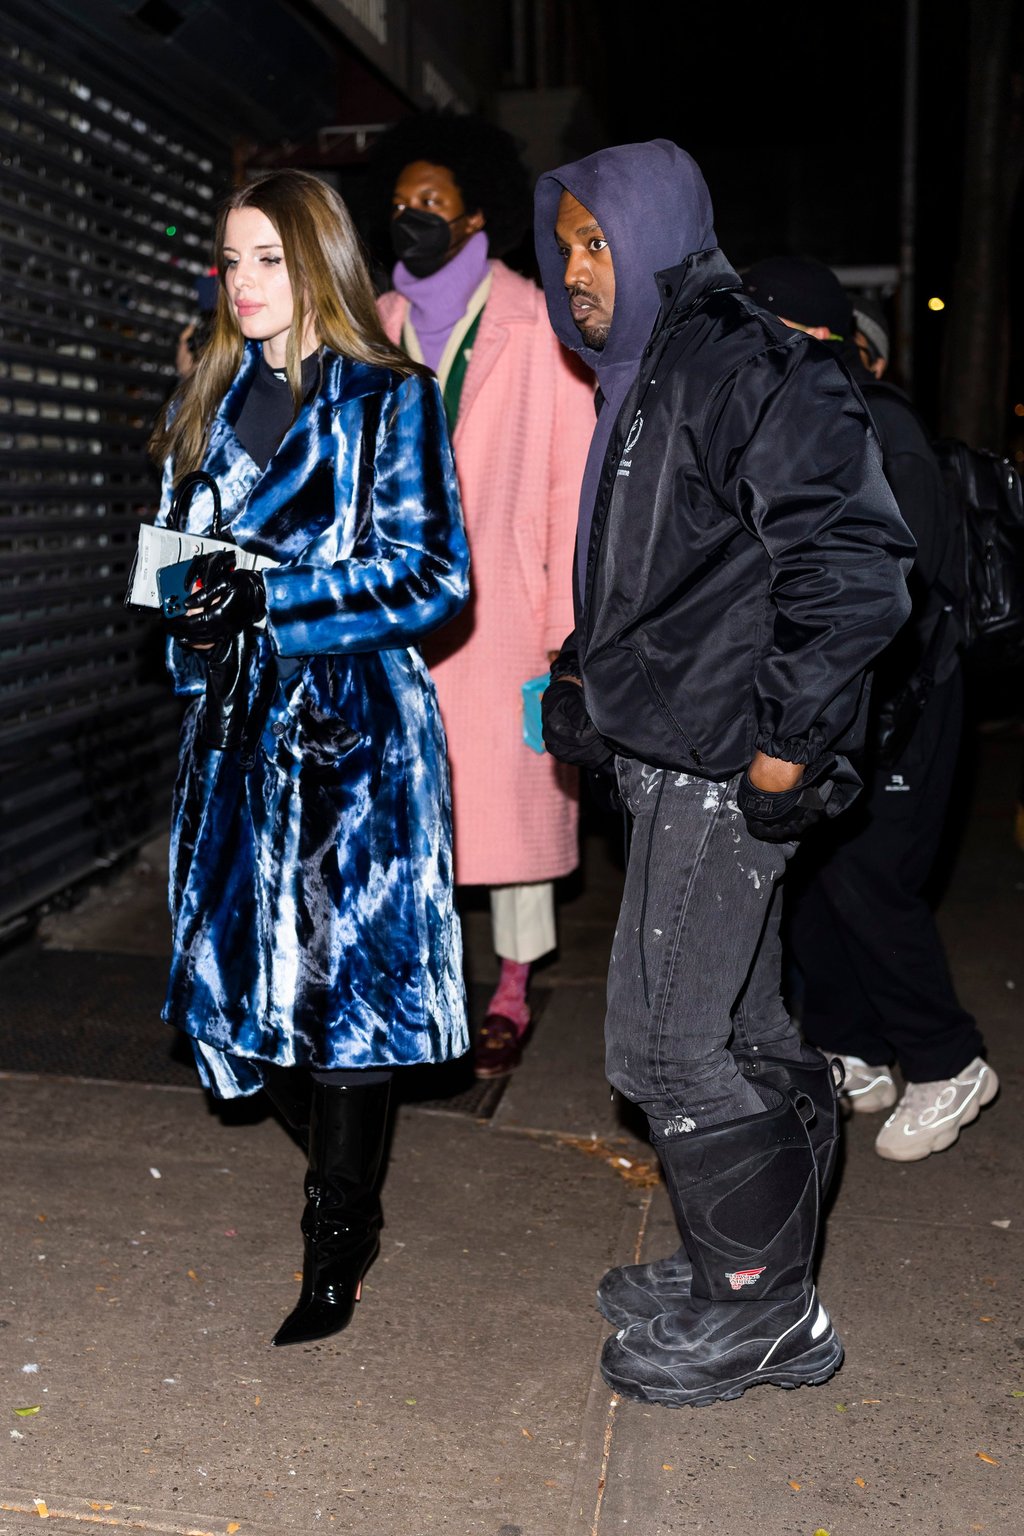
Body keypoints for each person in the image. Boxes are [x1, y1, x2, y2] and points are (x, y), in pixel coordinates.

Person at [532, 141, 915, 1409]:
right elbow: (672, 574)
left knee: (666, 1047)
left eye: (599, 244)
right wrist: (591, 681)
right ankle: (738, 1267)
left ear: (653, 235)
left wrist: (781, 749)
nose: (580, 271)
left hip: (721, 763)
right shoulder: (646, 372)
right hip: (675, 754)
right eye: (570, 244)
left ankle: (765, 1315)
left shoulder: (741, 357)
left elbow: (852, 568)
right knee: (747, 1032)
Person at [146, 169, 470, 1347]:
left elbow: (433, 576)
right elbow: (183, 575)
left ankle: (335, 1242)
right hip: (236, 738)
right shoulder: (207, 399)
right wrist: (189, 617)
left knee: (346, 1004)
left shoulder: (388, 399)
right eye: (230, 262)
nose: (243, 284)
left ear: (318, 262)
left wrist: (271, 599)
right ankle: (353, 1182)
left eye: (267, 260)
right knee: (227, 998)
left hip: (352, 743)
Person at [741, 255, 998, 1160]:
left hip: (901, 702)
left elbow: (906, 596)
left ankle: (948, 1060)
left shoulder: (878, 424)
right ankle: (855, 1046)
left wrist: (866, 713)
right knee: (814, 875)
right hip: (839, 700)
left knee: (869, 883)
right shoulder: (807, 421)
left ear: (813, 338)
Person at [368, 112, 596, 1079]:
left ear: (475, 219)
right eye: (400, 202)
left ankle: (509, 987)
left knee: (509, 807)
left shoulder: (534, 320)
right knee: (409, 809)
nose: (411, 215)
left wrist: (563, 634)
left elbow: (565, 485)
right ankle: (424, 982)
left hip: (503, 613)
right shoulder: (375, 325)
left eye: (433, 202)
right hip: (393, 610)